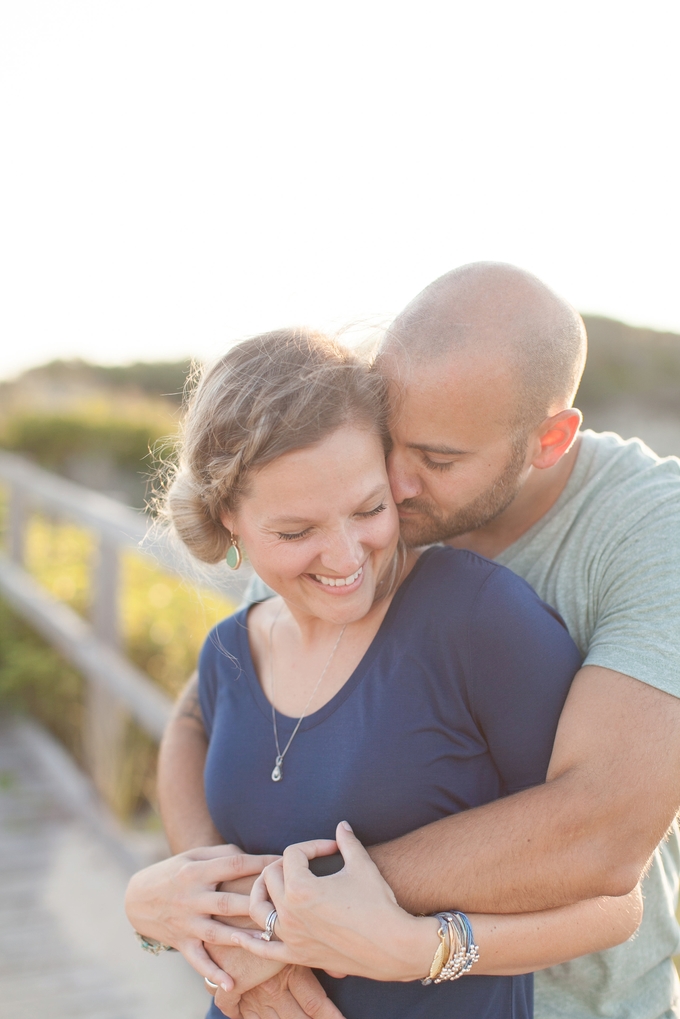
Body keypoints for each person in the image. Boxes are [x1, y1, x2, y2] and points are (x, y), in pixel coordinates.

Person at [128, 263, 680, 1019]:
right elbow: (207, 714)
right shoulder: (349, 516)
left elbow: (603, 834)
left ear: (547, 439)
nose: (398, 480)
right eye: (393, 440)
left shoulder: (652, 532)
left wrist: (285, 919)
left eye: (439, 459)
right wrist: (208, 900)